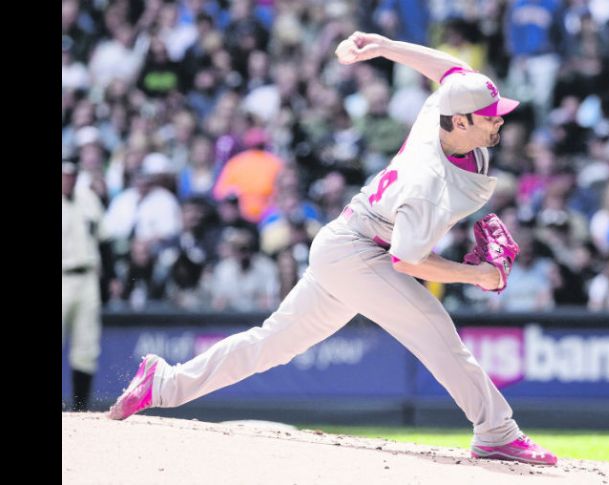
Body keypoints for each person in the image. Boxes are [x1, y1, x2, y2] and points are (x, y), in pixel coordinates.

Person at [107, 31, 557, 466]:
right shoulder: (429, 183)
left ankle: (163, 384)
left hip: (346, 242)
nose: (499, 119)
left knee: (271, 343)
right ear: (461, 121)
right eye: (490, 115)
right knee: (436, 333)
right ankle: (498, 434)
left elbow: (453, 70)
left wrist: (385, 47)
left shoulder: (445, 110)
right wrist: (479, 275)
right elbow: (407, 260)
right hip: (362, 252)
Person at [62, 159, 106, 411]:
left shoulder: (88, 198)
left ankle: (80, 408)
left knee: (86, 346)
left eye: (72, 175)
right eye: (64, 175)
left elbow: (106, 239)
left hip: (87, 276)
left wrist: (108, 279)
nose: (69, 179)